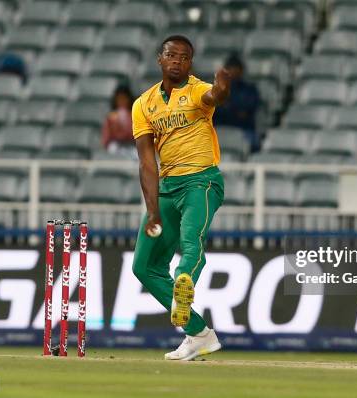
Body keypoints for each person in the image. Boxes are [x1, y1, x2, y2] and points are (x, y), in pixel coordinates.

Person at [131, 35, 231, 361]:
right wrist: (151, 209)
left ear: (190, 63)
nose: (177, 61)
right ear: (160, 59)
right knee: (144, 266)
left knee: (191, 242)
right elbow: (147, 163)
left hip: (201, 182)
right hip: (167, 188)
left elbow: (214, 96)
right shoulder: (143, 104)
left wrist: (222, 88)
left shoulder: (197, 90)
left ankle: (183, 281)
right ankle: (199, 333)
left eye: (184, 57)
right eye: (171, 55)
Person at [213, 53, 261, 151]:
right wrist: (233, 110)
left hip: (243, 130)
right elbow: (213, 111)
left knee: (253, 142)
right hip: (219, 129)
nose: (233, 71)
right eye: (230, 68)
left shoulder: (250, 89)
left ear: (241, 71)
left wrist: (228, 108)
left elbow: (246, 112)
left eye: (236, 68)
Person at [101, 83, 136, 158]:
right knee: (112, 149)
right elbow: (106, 139)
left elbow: (137, 136)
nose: (122, 101)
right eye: (119, 99)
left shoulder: (135, 116)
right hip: (116, 145)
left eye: (124, 98)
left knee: (136, 154)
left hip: (131, 146)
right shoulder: (110, 117)